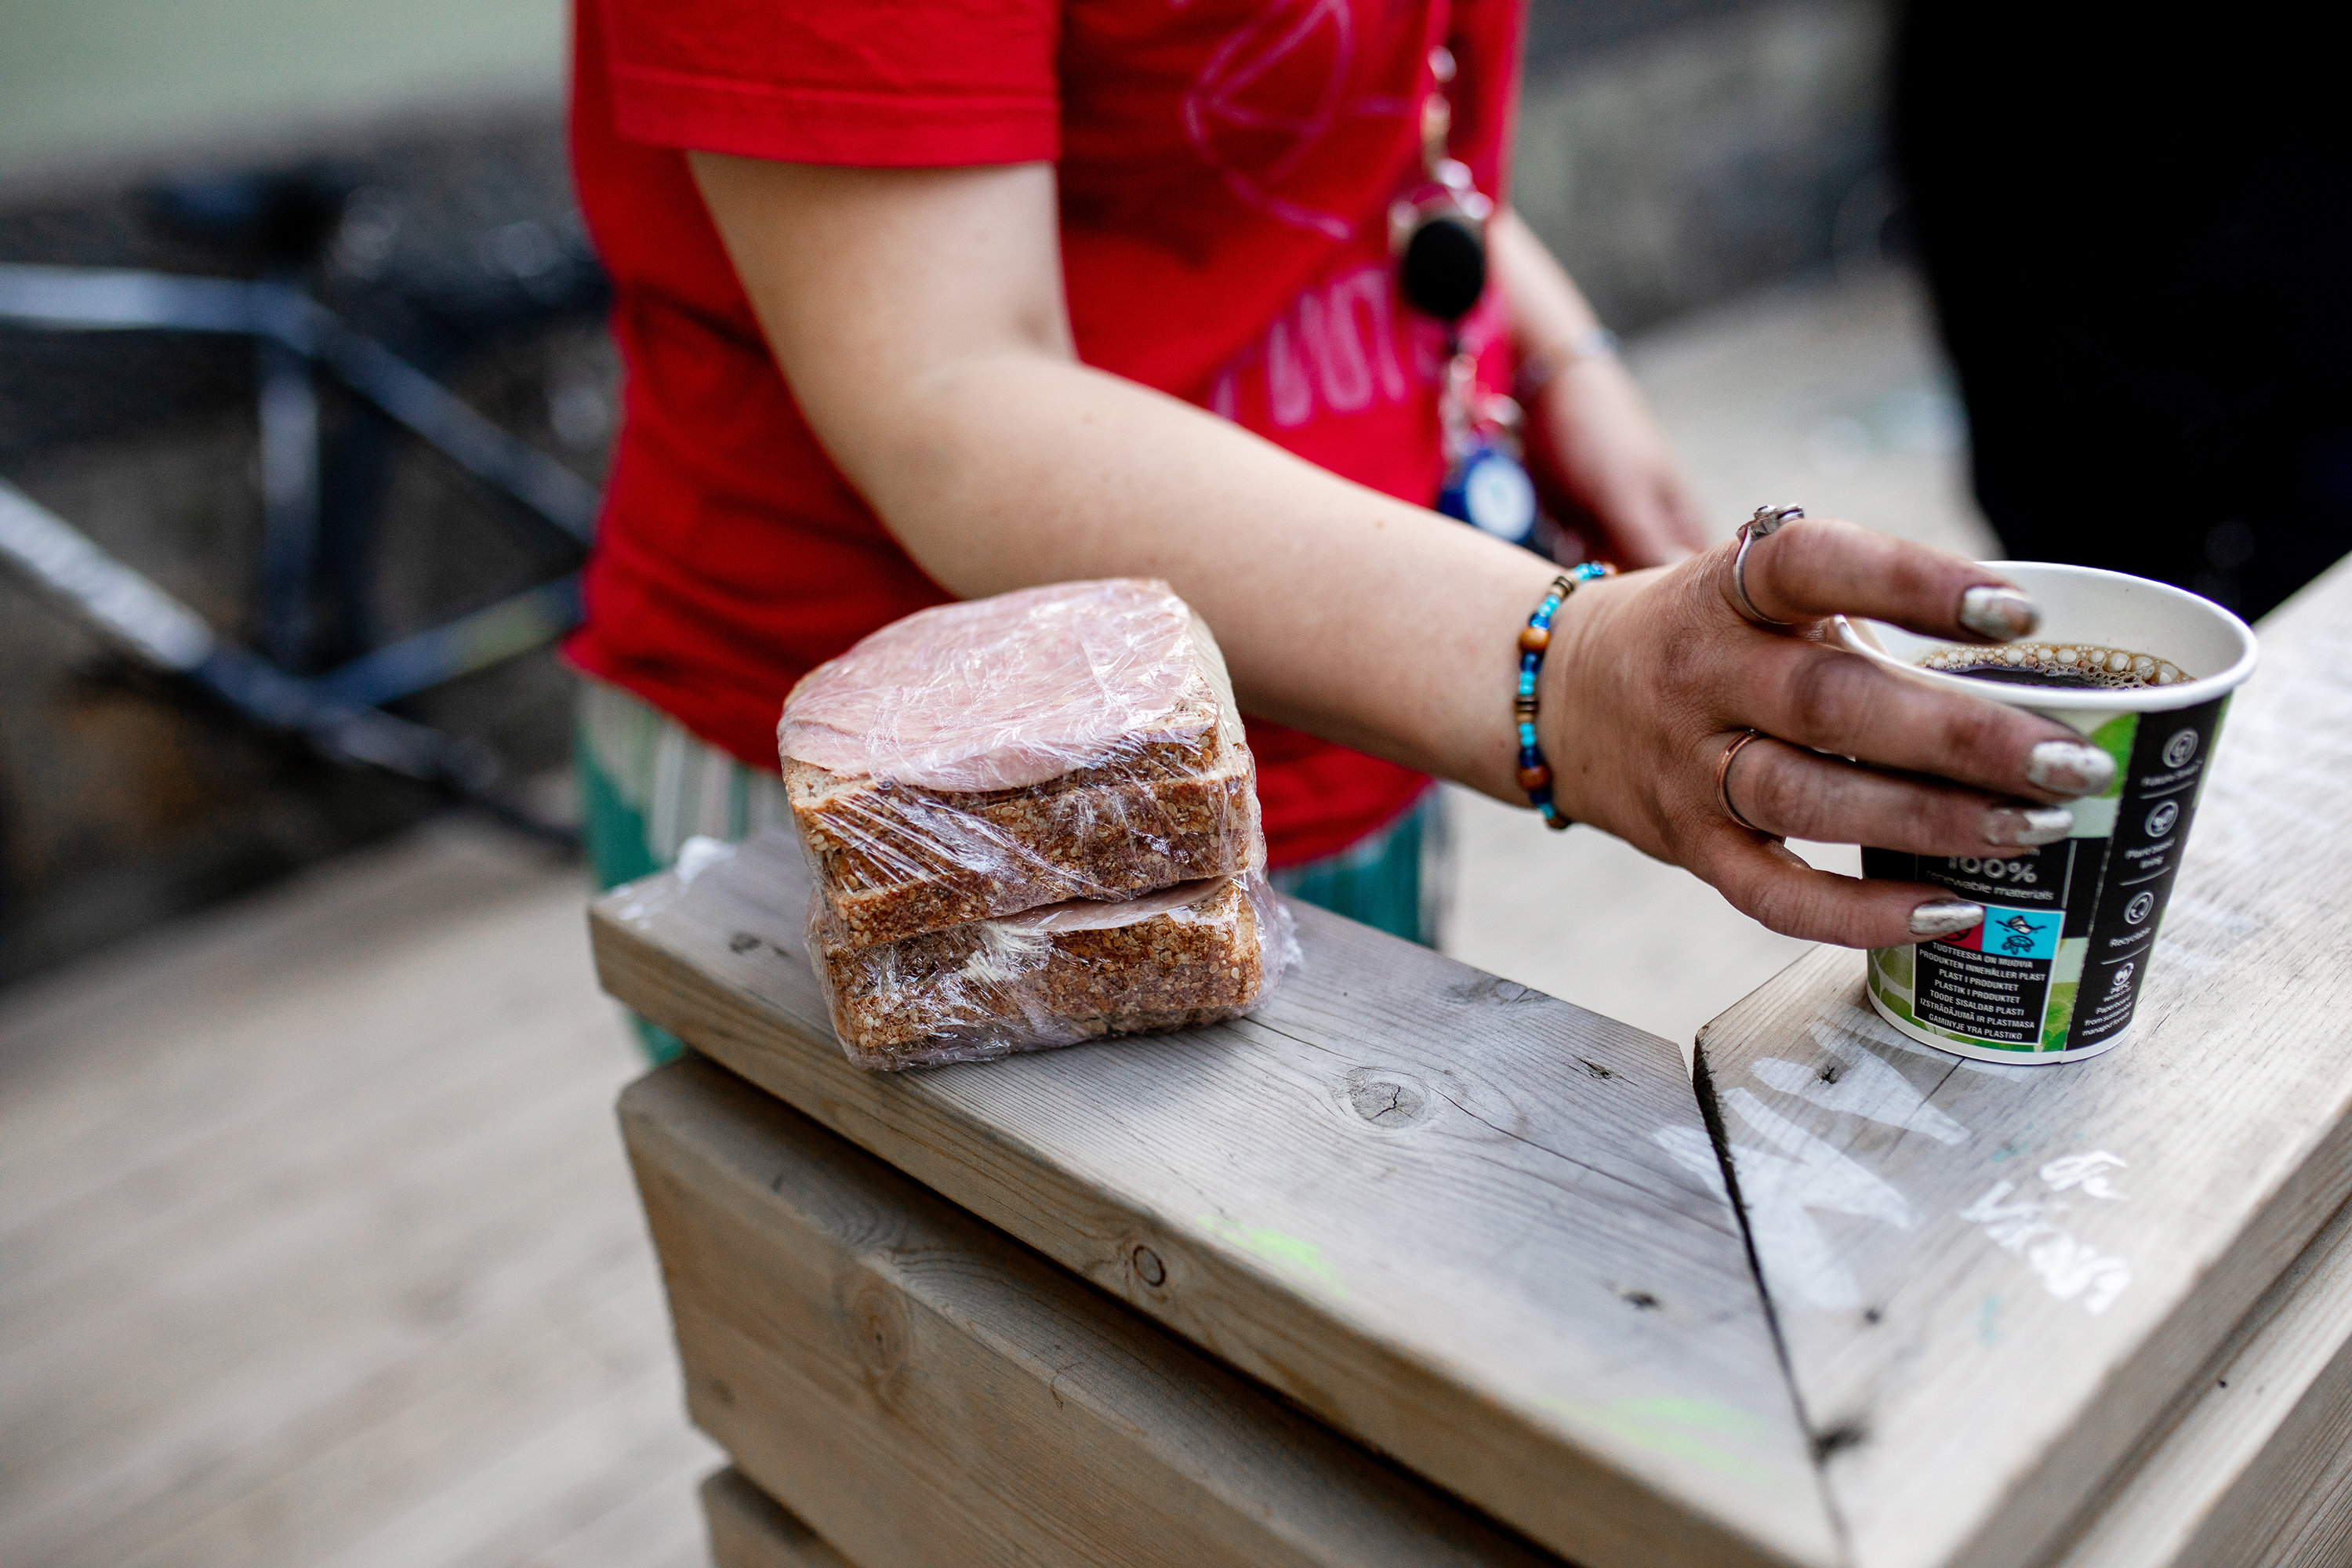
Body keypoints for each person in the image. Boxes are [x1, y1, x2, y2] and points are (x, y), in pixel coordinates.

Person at [567, 0, 2118, 1062]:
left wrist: (1551, 351)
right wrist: (1563, 673)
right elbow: (947, 387)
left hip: (1369, 706)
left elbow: (1363, 114)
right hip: (937, 814)